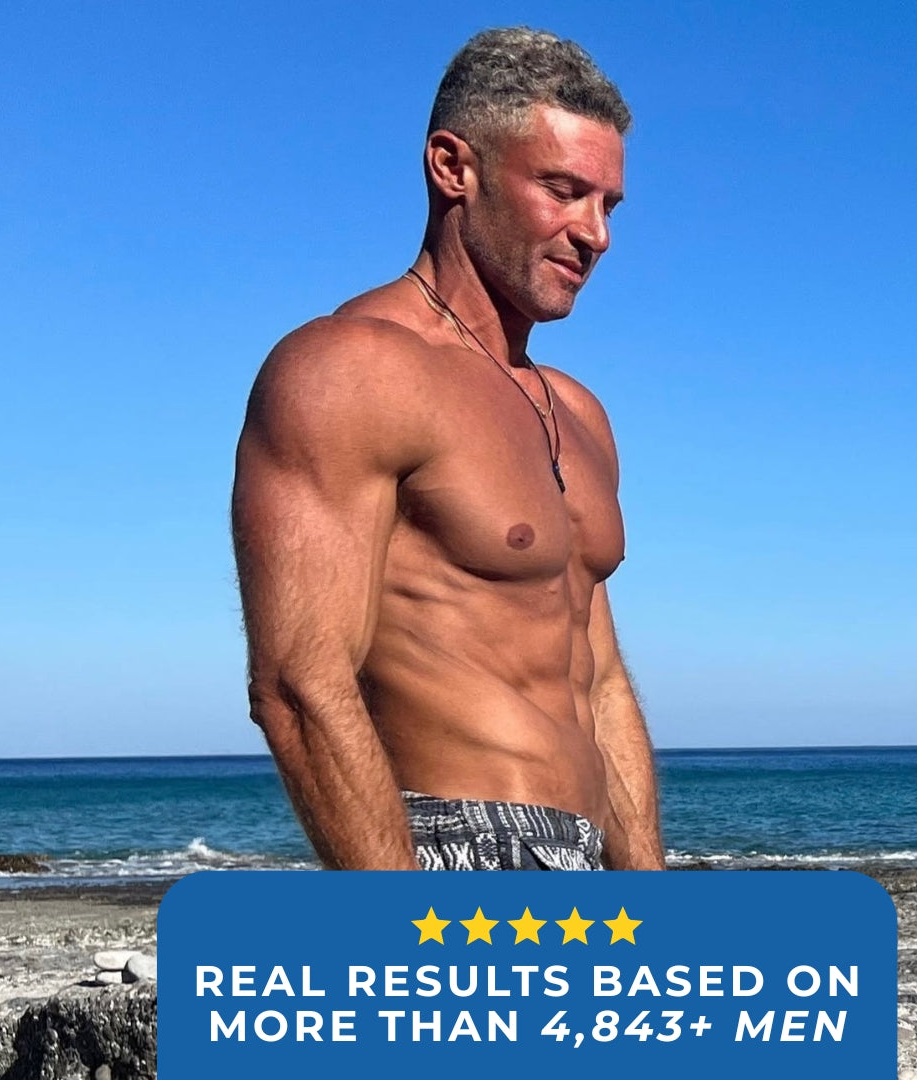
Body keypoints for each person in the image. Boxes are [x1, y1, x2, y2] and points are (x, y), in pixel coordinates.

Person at [231, 27, 664, 871]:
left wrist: (650, 910)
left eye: (608, 204)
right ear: (452, 168)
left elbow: (601, 681)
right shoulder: (348, 369)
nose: (596, 233)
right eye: (564, 190)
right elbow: (298, 683)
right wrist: (405, 937)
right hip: (448, 855)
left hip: (586, 868)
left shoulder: (576, 412)